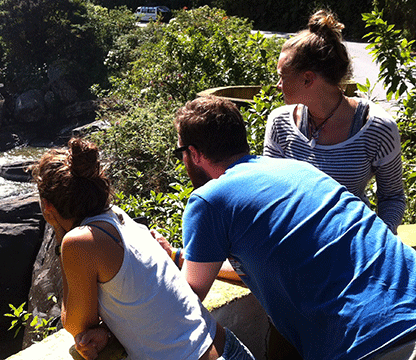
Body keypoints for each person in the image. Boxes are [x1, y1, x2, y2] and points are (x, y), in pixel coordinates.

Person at [155, 95, 416, 360]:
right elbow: (265, 264)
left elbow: (186, 298)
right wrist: (178, 256)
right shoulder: (299, 169)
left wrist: (147, 264)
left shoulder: (209, 200)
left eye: (181, 153)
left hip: (372, 343)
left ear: (194, 153)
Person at [29, 138, 255, 360]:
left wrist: (60, 237)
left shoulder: (79, 242)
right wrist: (108, 332)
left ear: (48, 206)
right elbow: (141, 301)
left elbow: (76, 325)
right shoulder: (119, 217)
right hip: (231, 348)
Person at [263, 9, 405, 234]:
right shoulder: (279, 123)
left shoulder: (377, 127)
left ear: (308, 79)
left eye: (282, 76)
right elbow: (270, 193)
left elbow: (393, 197)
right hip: (295, 247)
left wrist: (377, 242)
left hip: (353, 245)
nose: (277, 85)